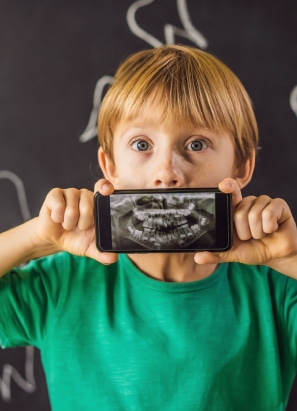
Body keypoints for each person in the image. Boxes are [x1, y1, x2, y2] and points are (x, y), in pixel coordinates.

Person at [0, 44, 297, 411]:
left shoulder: (276, 290)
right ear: (110, 168)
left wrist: (292, 258)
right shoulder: (61, 284)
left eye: (196, 144)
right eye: (142, 144)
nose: (166, 174)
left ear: (242, 168)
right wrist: (36, 239)